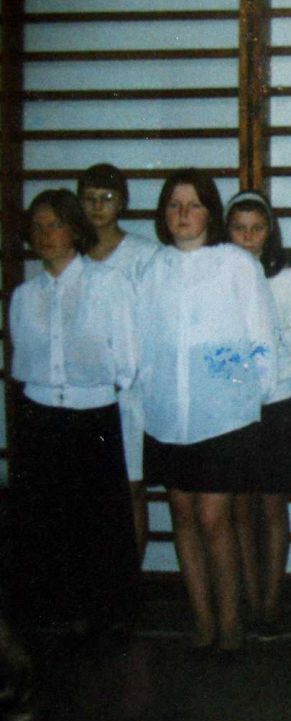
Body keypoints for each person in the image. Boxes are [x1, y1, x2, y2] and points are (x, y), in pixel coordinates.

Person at [137, 169, 277, 654]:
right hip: (167, 415)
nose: (183, 214)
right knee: (182, 517)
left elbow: (262, 338)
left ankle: (231, 625)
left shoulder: (236, 264)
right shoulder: (153, 268)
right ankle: (203, 623)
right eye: (174, 205)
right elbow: (142, 343)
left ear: (210, 213)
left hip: (223, 417)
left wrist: (251, 399)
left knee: (215, 520)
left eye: (193, 205)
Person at [8, 190, 139, 640]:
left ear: (75, 230)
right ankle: (51, 620)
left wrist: (92, 390)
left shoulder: (109, 285)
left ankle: (103, 621)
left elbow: (127, 358)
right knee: (44, 525)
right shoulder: (24, 295)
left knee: (97, 525)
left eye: (55, 225)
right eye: (37, 227)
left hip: (92, 418)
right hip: (40, 420)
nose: (45, 235)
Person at [226, 191, 291, 639]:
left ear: (270, 232)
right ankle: (250, 596)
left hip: (277, 406)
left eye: (256, 228)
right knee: (240, 507)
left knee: (274, 506)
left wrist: (271, 388)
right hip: (232, 409)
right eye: (238, 229)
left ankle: (273, 599)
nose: (247, 238)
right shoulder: (216, 278)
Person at [77, 163, 160, 562]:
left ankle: (131, 582)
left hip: (132, 392)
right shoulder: (71, 253)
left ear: (122, 202)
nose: (97, 206)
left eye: (106, 198)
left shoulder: (144, 254)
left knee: (131, 488)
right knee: (89, 494)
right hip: (82, 392)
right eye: (89, 198)